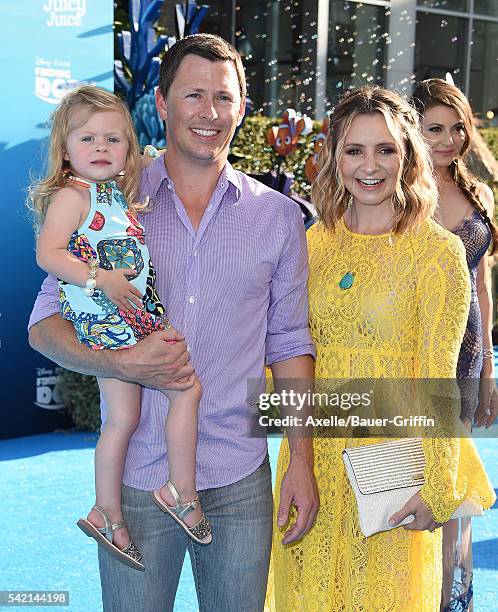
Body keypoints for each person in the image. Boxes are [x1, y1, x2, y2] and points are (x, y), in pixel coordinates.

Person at [28, 34, 318, 611]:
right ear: (161, 105)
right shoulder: (109, 198)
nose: (209, 113)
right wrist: (120, 363)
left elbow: (290, 343)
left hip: (240, 477)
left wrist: (302, 463)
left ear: (242, 109)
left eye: (224, 98)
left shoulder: (279, 217)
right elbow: (44, 324)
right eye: (193, 95)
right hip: (135, 479)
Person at [265, 86, 496, 612]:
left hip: (393, 474)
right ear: (334, 158)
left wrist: (439, 487)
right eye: (354, 150)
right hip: (312, 464)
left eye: (385, 149)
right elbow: (283, 355)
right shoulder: (310, 246)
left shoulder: (438, 253)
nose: (369, 165)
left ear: (407, 156)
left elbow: (438, 380)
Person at [28, 85, 211, 573]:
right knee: (173, 395)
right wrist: (98, 278)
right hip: (109, 321)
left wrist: (151, 157)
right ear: (65, 151)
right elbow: (48, 254)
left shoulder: (112, 192)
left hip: (134, 313)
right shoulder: (72, 195)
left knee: (132, 415)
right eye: (87, 140)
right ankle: (168, 494)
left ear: (129, 149)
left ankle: (115, 510)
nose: (102, 149)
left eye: (114, 140)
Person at [411, 78, 498, 611]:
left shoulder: (478, 192)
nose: (446, 139)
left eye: (456, 127)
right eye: (433, 128)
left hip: (466, 353)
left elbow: (482, 285)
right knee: (416, 475)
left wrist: (488, 364)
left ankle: (447, 602)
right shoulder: (400, 194)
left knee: (452, 481)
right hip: (419, 351)